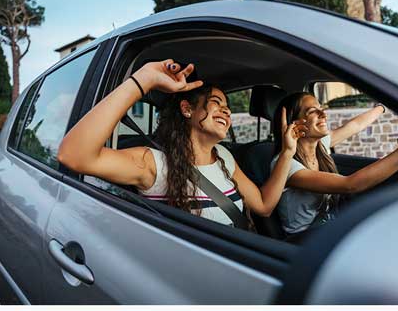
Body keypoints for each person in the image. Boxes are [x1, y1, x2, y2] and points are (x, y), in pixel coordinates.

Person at [58, 59, 308, 226]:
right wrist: (143, 80)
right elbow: (73, 156)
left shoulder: (224, 157)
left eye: (228, 107)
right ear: (187, 109)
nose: (227, 111)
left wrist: (287, 152)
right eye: (217, 103)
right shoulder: (153, 163)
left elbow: (264, 206)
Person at [271, 92, 398, 235]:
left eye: (321, 108)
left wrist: (383, 106)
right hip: (305, 238)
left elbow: (356, 125)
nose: (323, 114)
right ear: (294, 124)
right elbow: (350, 185)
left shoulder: (319, 146)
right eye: (312, 111)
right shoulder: (286, 164)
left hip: (329, 223)